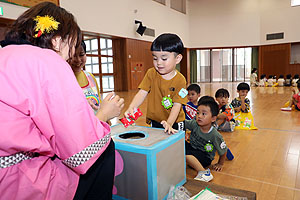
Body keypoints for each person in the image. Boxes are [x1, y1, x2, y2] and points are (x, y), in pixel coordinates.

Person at [0, 2, 124, 200]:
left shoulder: (6, 54)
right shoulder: (47, 60)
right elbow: (79, 147)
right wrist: (104, 116)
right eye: (73, 45)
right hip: (17, 181)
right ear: (57, 41)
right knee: (103, 150)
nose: (71, 55)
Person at [124, 33, 188, 134]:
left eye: (164, 58)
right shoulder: (151, 73)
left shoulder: (181, 80)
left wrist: (169, 123)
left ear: (178, 58)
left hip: (175, 122)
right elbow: (142, 92)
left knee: (175, 148)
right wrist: (132, 107)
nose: (158, 63)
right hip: (155, 121)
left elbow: (177, 105)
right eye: (155, 58)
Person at [184, 97, 228, 182]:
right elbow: (182, 123)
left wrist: (220, 164)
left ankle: (204, 172)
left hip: (205, 157)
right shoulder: (194, 124)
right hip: (193, 148)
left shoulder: (215, 135)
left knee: (187, 156)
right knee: (180, 145)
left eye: (204, 114)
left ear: (213, 118)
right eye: (197, 113)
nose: (199, 116)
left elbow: (224, 150)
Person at [69, 41, 101, 114]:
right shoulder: (63, 79)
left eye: (81, 55)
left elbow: (99, 102)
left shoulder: (90, 77)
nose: (78, 60)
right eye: (74, 56)